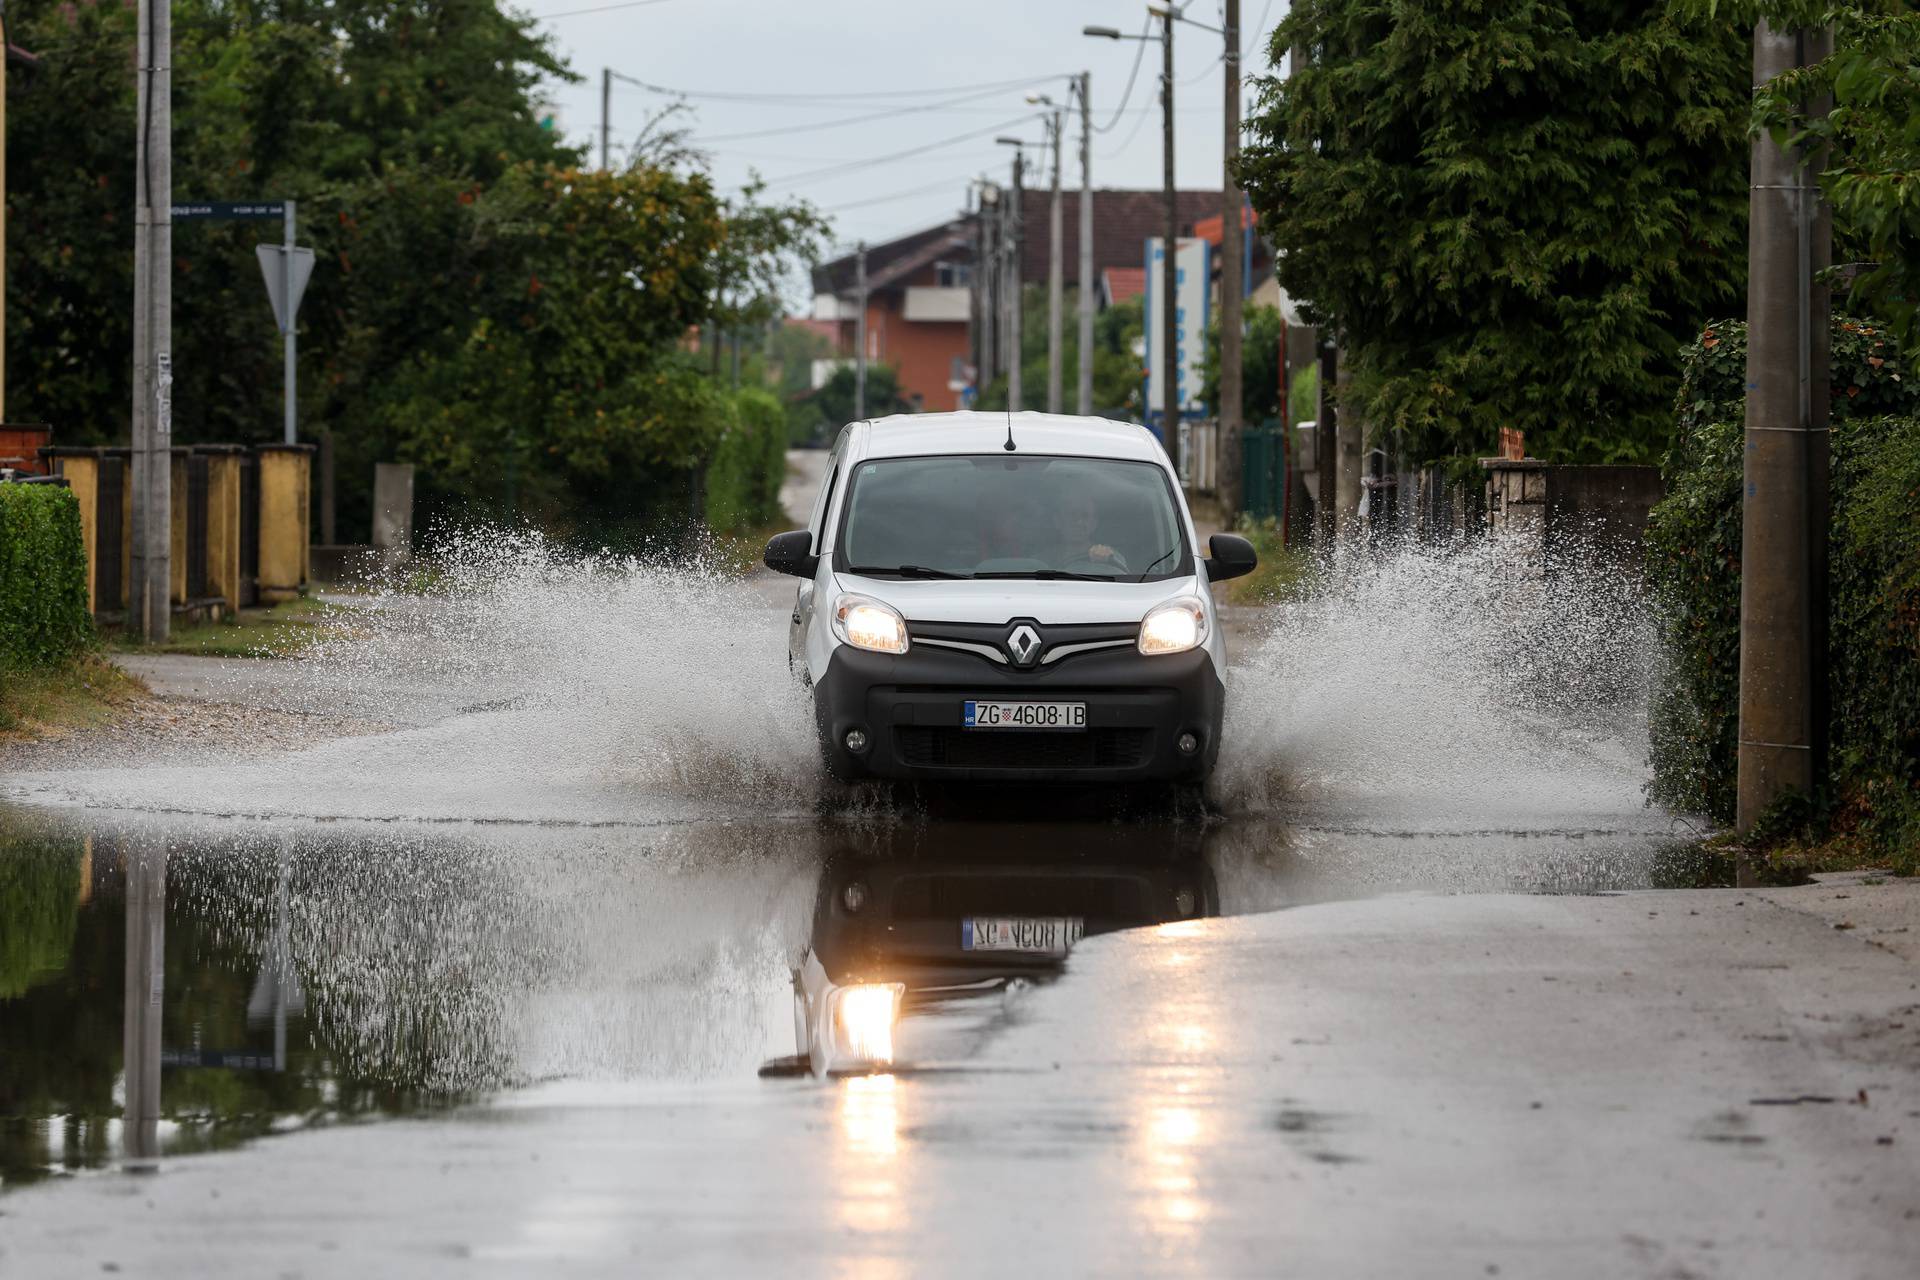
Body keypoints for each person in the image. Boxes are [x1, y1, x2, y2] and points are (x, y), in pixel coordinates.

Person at [1048, 491, 1128, 571]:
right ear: (1057, 521)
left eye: (1085, 515)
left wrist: (1103, 565)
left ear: (1094, 523)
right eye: (1072, 514)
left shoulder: (1111, 558)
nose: (1079, 522)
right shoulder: (1040, 561)